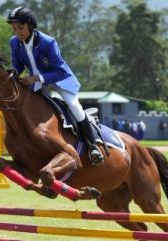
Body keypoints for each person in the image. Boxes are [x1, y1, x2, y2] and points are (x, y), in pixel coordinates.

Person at [6, 7, 103, 165]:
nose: (18, 32)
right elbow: (17, 66)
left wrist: (37, 77)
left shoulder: (47, 42)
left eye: (21, 28)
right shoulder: (14, 42)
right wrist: (13, 73)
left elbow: (59, 71)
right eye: (14, 29)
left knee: (73, 105)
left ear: (30, 26)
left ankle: (92, 146)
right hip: (36, 82)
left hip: (59, 78)